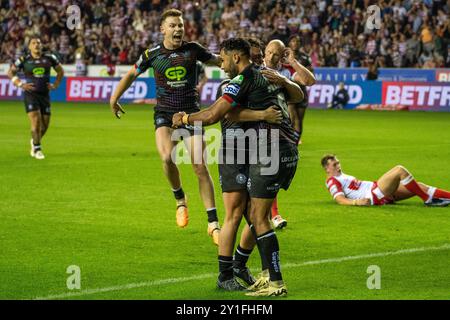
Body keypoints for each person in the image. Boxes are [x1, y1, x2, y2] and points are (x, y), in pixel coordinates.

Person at [173, 38, 303, 296]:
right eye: (257, 55)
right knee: (252, 215)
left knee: (256, 217)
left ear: (236, 57)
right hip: (254, 150)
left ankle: (268, 279)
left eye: (222, 59)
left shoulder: (248, 79)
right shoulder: (249, 80)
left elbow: (214, 115)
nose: (220, 64)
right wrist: (263, 114)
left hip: (266, 150)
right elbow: (228, 113)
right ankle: (242, 271)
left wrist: (185, 118)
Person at [109, 9, 222, 245]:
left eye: (180, 25)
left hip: (191, 114)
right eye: (173, 25)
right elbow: (131, 74)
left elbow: (219, 60)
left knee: (200, 166)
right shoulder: (152, 54)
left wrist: (240, 63)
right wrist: (114, 98)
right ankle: (181, 199)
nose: (178, 29)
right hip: (164, 114)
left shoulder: (193, 49)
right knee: (166, 158)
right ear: (163, 29)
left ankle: (213, 224)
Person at [7, 36, 64, 160]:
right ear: (29, 47)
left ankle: (34, 141)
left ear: (41, 45)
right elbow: (10, 72)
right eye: (33, 43)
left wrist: (55, 84)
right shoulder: (24, 59)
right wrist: (20, 84)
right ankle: (37, 149)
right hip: (31, 94)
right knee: (36, 122)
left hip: (45, 95)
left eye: (38, 43)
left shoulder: (50, 58)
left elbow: (60, 71)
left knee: (45, 125)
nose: (36, 45)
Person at [321, 154, 450, 207]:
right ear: (327, 169)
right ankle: (427, 199)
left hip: (378, 190)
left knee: (419, 186)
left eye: (338, 163)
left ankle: (437, 197)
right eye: (334, 165)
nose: (338, 166)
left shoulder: (342, 176)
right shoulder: (332, 181)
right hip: (374, 193)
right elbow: (339, 199)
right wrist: (356, 202)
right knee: (399, 170)